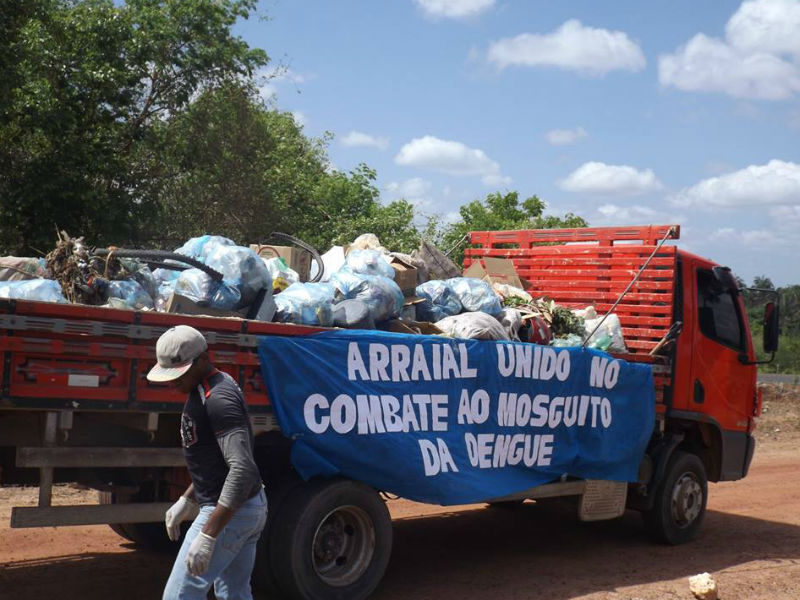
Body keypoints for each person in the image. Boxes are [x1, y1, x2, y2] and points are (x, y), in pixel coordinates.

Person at [147, 325, 267, 600]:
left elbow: (242, 468)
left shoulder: (218, 399)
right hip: (245, 506)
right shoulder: (206, 386)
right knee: (234, 594)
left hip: (231, 512)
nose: (173, 382)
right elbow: (217, 461)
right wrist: (188, 498)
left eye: (180, 373)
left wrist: (209, 534)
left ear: (203, 359)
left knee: (179, 596)